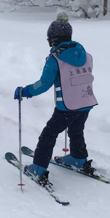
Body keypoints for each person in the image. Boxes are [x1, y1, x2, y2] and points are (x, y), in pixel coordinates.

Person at [14, 13, 98, 184]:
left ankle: (38, 169)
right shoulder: (86, 55)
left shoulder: (55, 59)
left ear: (52, 40)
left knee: (49, 134)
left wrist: (26, 91)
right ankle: (78, 158)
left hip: (67, 106)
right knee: (76, 130)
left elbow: (44, 84)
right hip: (86, 102)